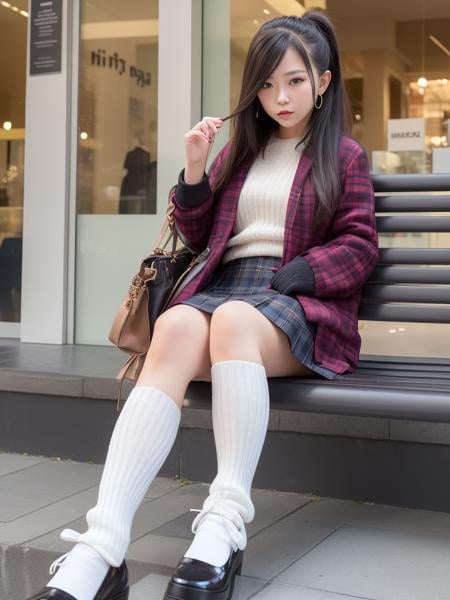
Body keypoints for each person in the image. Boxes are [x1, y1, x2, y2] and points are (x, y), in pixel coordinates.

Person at [27, 11, 378, 600]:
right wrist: (195, 165)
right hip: (228, 288)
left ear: (322, 81)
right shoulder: (241, 150)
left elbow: (359, 244)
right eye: (266, 85)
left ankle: (224, 522)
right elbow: (194, 233)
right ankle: (103, 544)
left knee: (234, 321)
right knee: (176, 327)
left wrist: (301, 272)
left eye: (294, 81)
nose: (279, 97)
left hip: (300, 302)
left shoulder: (343, 156)